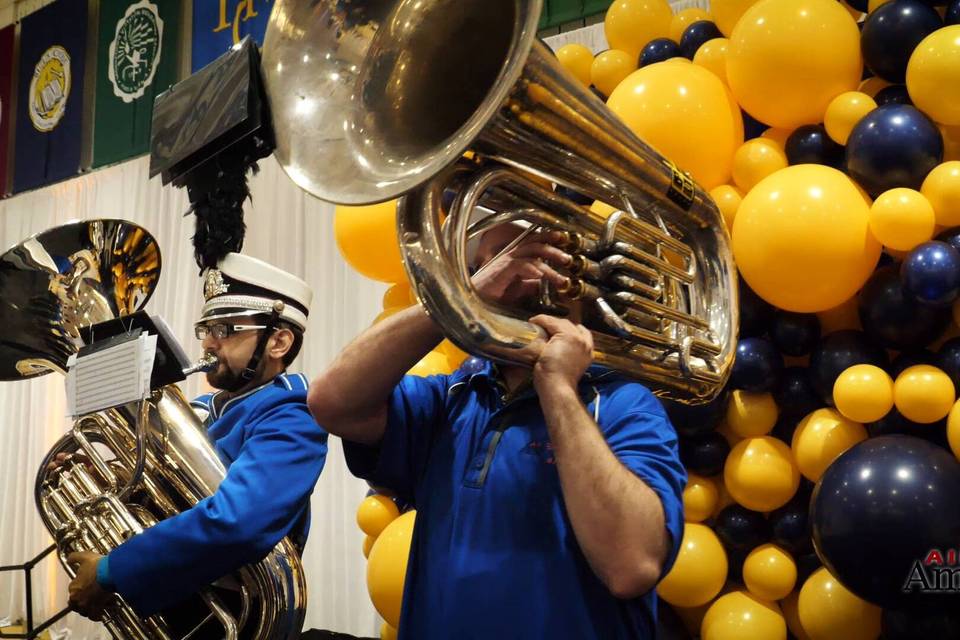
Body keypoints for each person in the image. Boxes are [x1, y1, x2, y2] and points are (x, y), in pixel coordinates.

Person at [308, 225, 687, 639]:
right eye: (497, 261)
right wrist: (455, 300)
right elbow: (332, 402)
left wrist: (557, 385)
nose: (518, 274)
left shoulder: (624, 403)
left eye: (543, 257)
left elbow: (631, 566)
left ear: (577, 282)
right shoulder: (451, 398)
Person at [64, 253, 328, 620]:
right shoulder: (203, 409)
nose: (207, 344)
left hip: (229, 614)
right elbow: (162, 500)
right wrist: (102, 480)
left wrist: (113, 570)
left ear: (279, 342)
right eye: (206, 330)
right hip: (173, 602)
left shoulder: (293, 416)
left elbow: (238, 521)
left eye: (224, 330)